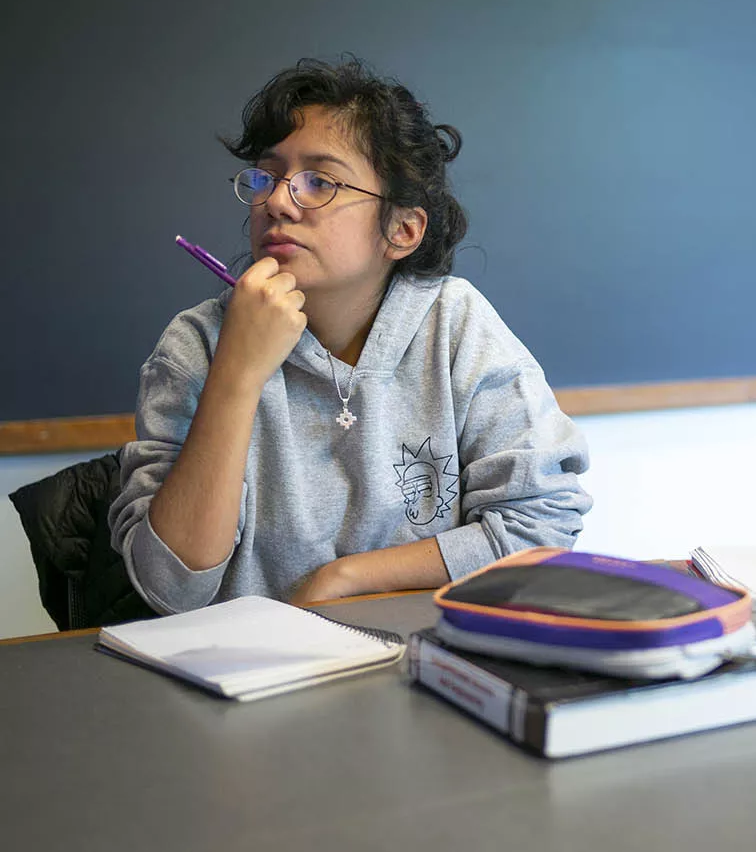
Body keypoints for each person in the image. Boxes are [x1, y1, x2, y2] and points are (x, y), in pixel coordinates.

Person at [110, 58, 592, 613]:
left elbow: (540, 526)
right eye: (267, 177)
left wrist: (348, 578)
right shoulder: (196, 345)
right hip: (253, 678)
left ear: (402, 229)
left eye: (319, 181)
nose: (276, 201)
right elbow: (171, 587)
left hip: (417, 662)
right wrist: (237, 376)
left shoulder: (454, 326)